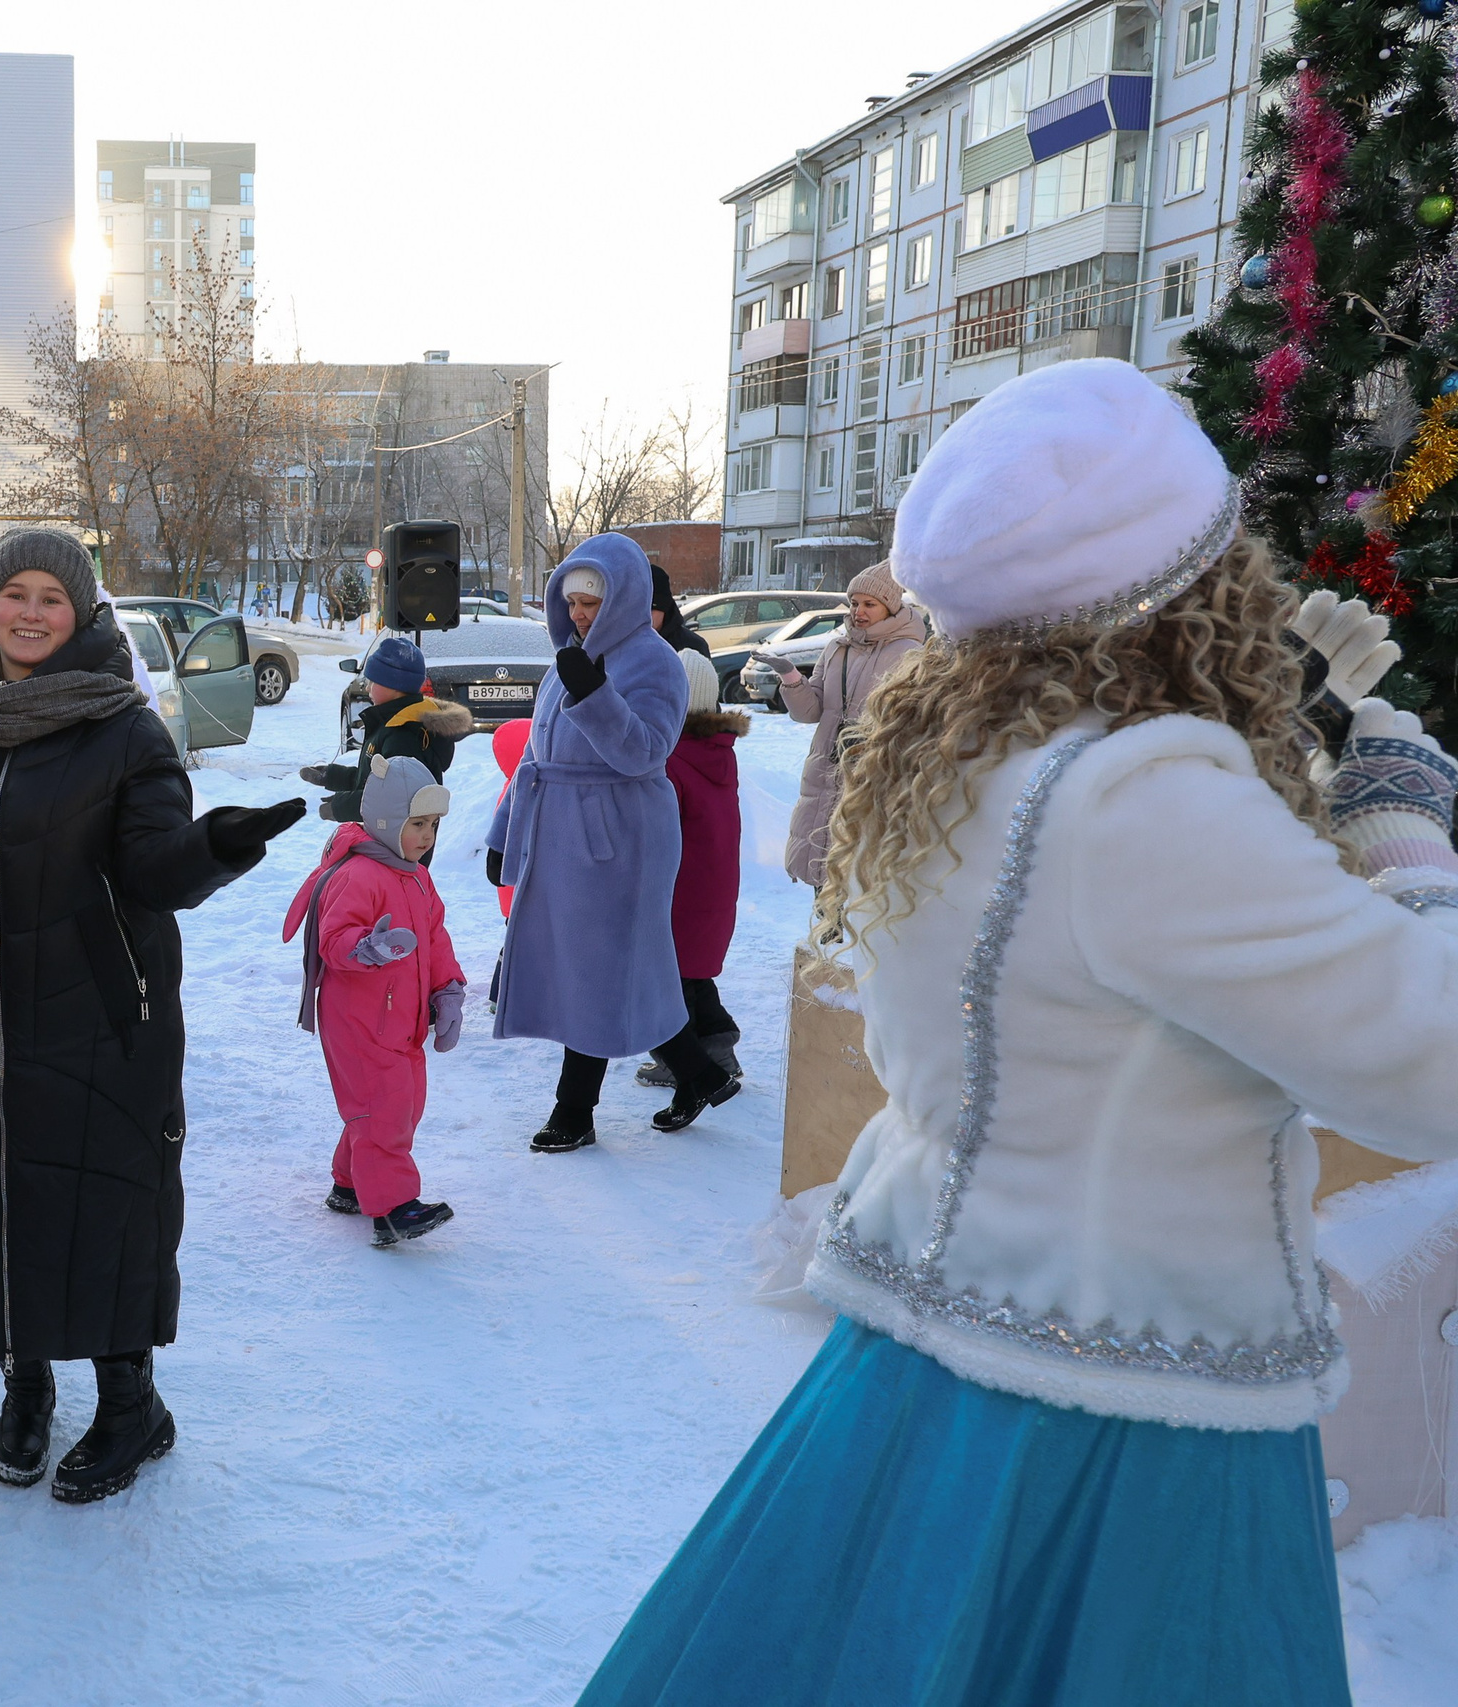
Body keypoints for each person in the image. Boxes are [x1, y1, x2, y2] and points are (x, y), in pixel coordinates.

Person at [575, 359, 1458, 1707]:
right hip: (1127, 1420)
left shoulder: (965, 764)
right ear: (1193, 588)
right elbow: (1430, 1064)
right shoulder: (1152, 800)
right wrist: (1403, 829)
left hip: (920, 1377)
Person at [0, 527, 305, 1502]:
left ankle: (131, 1401)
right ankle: (25, 1385)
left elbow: (152, 872)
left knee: (105, 1212)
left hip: (100, 1018)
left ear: (83, 613)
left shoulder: (126, 733)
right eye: (17, 594)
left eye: (53, 597)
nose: (31, 613)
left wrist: (214, 846)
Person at [488, 536, 740, 1149]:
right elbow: (534, 756)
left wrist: (593, 695)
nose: (578, 613)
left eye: (591, 602)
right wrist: (505, 834)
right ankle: (701, 1073)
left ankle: (573, 1113)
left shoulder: (655, 661)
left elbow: (645, 752)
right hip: (564, 835)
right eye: (571, 600)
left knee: (599, 973)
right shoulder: (567, 656)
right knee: (611, 972)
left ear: (623, 598)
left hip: (620, 841)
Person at [282, 755, 468, 1248]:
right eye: (417, 824)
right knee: (383, 1108)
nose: (427, 836)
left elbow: (435, 938)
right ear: (387, 822)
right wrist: (367, 948)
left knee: (395, 1107)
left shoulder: (417, 878)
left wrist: (447, 990)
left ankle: (349, 1185)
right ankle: (392, 1209)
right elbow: (334, 939)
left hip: (402, 1022)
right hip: (359, 1021)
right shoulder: (360, 875)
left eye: (432, 825)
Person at [761, 559, 928, 887]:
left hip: (871, 778)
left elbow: (916, 723)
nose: (859, 612)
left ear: (891, 607)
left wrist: (871, 739)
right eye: (854, 603)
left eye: (869, 604)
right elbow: (808, 712)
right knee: (822, 877)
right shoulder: (837, 648)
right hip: (824, 772)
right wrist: (791, 676)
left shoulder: (910, 653)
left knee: (858, 879)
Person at [638, 649, 747, 1089]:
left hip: (679, 889)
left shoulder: (669, 760)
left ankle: (677, 1061)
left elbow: (654, 833)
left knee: (669, 982)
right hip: (714, 885)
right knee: (692, 973)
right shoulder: (717, 750)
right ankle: (720, 1047)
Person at [301, 634, 473, 828]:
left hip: (399, 845)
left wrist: (341, 807)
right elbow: (373, 781)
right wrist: (332, 776)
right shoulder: (392, 723)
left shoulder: (404, 735)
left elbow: (393, 799)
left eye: (373, 682)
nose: (367, 688)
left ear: (395, 686)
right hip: (388, 839)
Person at [649, 562, 712, 657]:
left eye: (651, 608)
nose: (644, 615)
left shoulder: (692, 647)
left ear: (664, 608)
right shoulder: (625, 645)